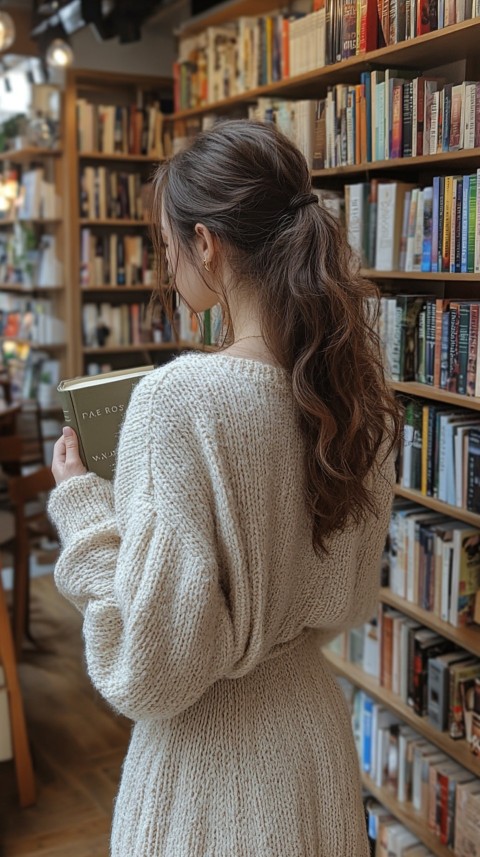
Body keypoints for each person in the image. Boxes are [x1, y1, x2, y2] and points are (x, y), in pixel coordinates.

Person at [49, 119, 402, 857]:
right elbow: (333, 590)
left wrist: (85, 507)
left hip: (212, 773)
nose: (169, 259)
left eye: (169, 242)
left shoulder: (178, 401)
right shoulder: (358, 398)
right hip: (312, 746)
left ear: (206, 242)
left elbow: (150, 669)